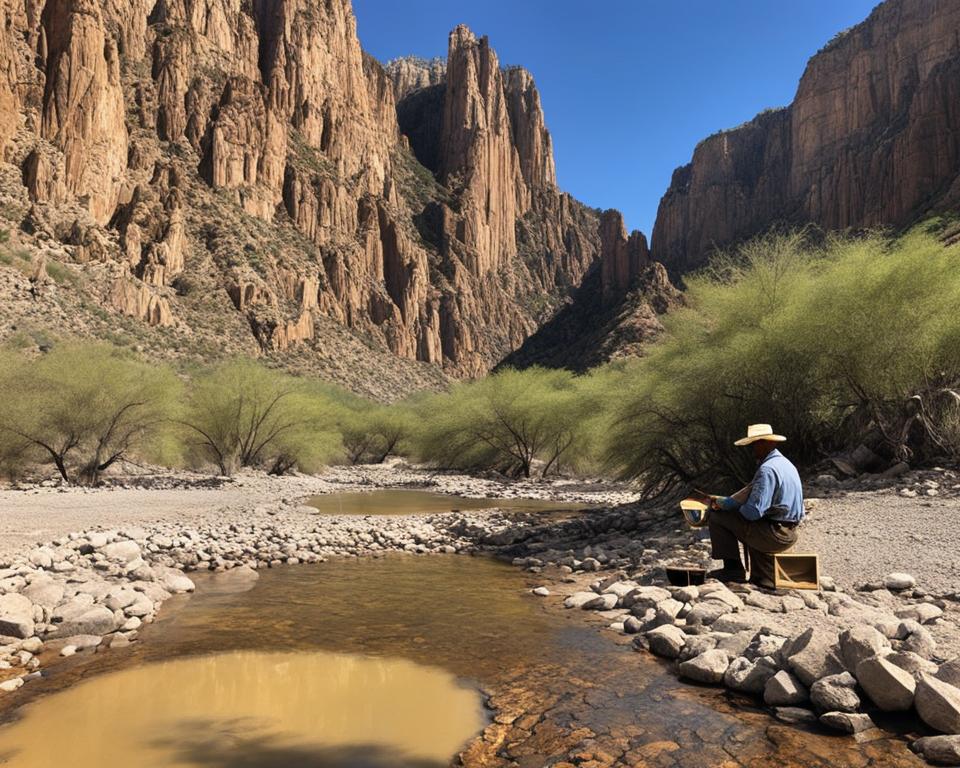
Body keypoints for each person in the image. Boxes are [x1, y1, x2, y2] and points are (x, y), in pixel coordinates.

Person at [699, 424, 805, 587]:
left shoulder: (767, 470)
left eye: (754, 445)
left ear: (764, 443)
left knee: (717, 517)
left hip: (775, 535)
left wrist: (731, 506)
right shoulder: (786, 464)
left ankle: (733, 569)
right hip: (788, 531)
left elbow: (753, 512)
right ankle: (756, 574)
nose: (753, 450)